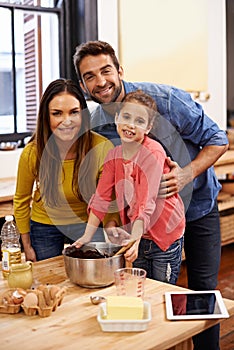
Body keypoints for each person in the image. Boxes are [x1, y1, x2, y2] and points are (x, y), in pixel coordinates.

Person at [73, 40, 229, 350]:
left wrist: (185, 173)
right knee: (150, 293)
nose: (100, 81)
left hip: (196, 209)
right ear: (82, 84)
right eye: (90, 76)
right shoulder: (95, 121)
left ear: (120, 70)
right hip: (144, 230)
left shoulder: (167, 101)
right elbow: (108, 182)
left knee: (201, 293)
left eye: (106, 70)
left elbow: (218, 139)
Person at [74, 90, 185, 284]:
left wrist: (135, 239)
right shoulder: (113, 156)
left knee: (161, 288)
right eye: (126, 116)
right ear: (117, 117)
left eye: (140, 121)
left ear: (148, 127)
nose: (131, 125)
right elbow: (101, 198)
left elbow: (146, 201)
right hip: (137, 234)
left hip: (164, 235)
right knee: (141, 286)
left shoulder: (153, 153)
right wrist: (86, 236)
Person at [14, 78, 117, 262]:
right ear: (47, 116)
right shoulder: (32, 152)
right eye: (57, 113)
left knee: (90, 280)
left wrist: (111, 226)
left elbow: (107, 198)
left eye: (74, 112)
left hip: (88, 224)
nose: (66, 121)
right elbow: (21, 200)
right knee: (49, 281)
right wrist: (27, 246)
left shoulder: (102, 148)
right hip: (45, 224)